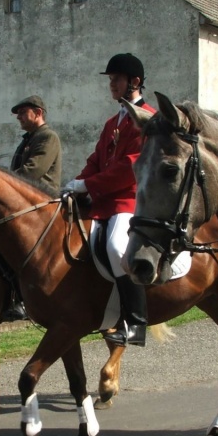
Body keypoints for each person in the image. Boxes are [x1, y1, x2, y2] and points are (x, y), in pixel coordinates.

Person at [62, 53, 156, 347]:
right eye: (111, 79)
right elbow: (97, 160)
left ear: (134, 82)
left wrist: (88, 184)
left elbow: (130, 168)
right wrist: (76, 184)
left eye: (116, 79)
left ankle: (136, 323)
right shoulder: (112, 122)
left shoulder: (148, 120)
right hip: (104, 202)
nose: (111, 84)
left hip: (131, 200)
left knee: (117, 246)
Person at [0, 95, 62, 322]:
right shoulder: (28, 140)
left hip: (41, 204)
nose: (19, 117)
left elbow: (32, 172)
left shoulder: (47, 137)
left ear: (38, 112)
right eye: (18, 114)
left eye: (23, 112)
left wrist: (0, 183)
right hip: (24, 204)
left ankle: (23, 301)